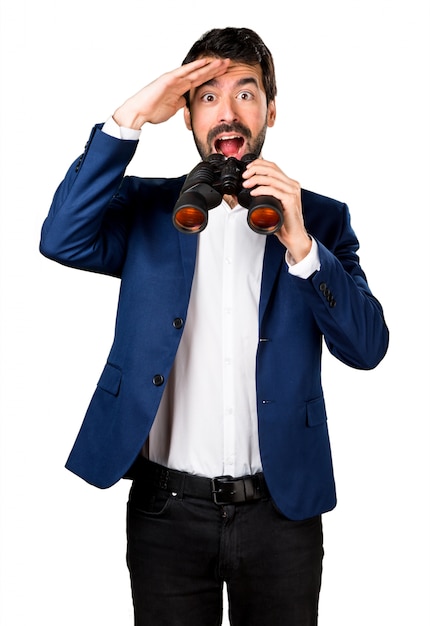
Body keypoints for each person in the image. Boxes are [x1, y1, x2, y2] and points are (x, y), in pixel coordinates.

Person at [40, 27, 389, 626]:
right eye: (207, 96)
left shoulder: (323, 221)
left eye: (246, 94)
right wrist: (127, 120)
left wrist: (302, 246)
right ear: (187, 115)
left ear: (271, 110)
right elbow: (61, 237)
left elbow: (367, 348)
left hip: (282, 511)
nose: (227, 113)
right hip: (166, 511)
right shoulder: (145, 210)